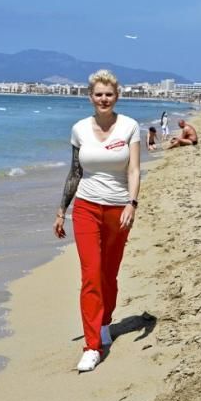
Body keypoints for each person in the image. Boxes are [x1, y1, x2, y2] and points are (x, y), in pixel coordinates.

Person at [53, 70, 141, 372]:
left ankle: (105, 322)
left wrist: (132, 202)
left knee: (108, 275)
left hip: (118, 209)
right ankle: (92, 345)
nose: (103, 99)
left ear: (116, 96)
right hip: (86, 208)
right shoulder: (79, 129)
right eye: (98, 94)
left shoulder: (129, 126)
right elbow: (75, 172)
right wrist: (61, 210)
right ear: (90, 97)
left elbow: (134, 170)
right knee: (90, 275)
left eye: (109, 94)